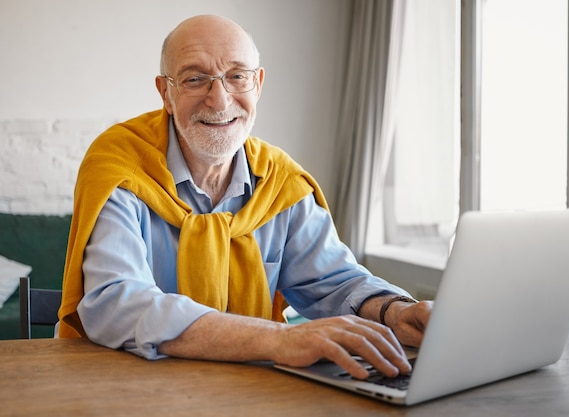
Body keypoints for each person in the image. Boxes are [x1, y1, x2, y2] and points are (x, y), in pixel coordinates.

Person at [58, 14, 432, 380]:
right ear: (165, 93)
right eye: (194, 79)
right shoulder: (119, 166)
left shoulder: (279, 181)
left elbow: (336, 283)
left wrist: (395, 312)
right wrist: (278, 340)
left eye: (237, 76)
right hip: (125, 388)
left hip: (251, 390)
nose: (219, 100)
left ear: (258, 84)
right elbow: (117, 302)